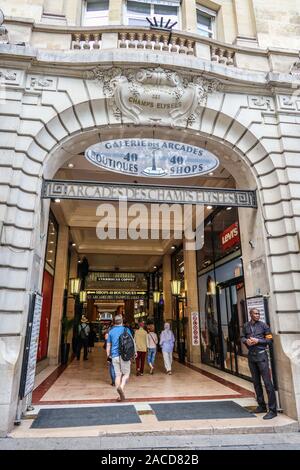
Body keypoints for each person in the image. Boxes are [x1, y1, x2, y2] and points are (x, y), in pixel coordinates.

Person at [241, 308, 277, 420]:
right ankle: (261, 406)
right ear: (250, 314)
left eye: (258, 313)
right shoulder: (246, 325)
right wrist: (245, 341)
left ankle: (273, 410)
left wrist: (258, 341)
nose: (257, 315)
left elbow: (270, 341)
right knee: (256, 382)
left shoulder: (264, 326)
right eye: (255, 313)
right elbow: (242, 337)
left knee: (267, 383)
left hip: (262, 356)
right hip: (251, 356)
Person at [106, 314, 136, 401]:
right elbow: (132, 342)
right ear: (122, 321)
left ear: (114, 322)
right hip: (125, 355)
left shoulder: (111, 331)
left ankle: (119, 392)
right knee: (126, 374)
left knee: (117, 375)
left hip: (114, 356)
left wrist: (108, 356)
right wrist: (135, 352)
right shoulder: (126, 329)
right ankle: (121, 388)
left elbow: (108, 345)